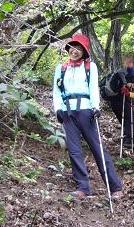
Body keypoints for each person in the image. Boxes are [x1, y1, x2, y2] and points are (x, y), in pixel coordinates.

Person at [52, 34, 124, 200]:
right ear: (68, 48)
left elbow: (93, 89)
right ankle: (82, 187)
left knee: (98, 149)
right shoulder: (61, 68)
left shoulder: (90, 67)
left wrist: (96, 107)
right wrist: (58, 110)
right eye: (72, 47)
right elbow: (57, 92)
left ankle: (115, 187)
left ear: (84, 51)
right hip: (68, 112)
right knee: (74, 151)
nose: (74, 51)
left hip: (86, 112)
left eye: (79, 48)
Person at [101, 55, 134, 151]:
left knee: (124, 119)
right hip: (122, 99)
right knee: (132, 118)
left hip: (112, 100)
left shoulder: (119, 72)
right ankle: (128, 140)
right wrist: (130, 86)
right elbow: (129, 86)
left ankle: (127, 137)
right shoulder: (128, 73)